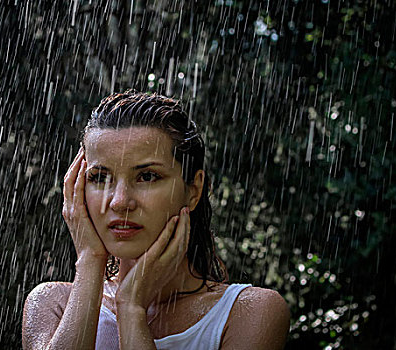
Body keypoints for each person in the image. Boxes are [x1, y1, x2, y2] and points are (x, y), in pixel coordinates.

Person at [22, 90, 290, 349]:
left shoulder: (246, 313)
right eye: (100, 177)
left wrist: (131, 308)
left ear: (194, 190)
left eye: (147, 176)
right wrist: (91, 259)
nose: (119, 201)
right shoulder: (52, 305)